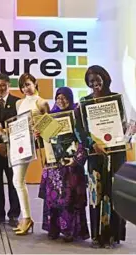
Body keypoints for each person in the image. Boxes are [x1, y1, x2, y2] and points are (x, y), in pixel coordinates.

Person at [0, 73, 49, 235]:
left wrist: (40, 131)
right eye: (22, 86)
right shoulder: (19, 103)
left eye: (28, 84)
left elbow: (49, 127)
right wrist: (4, 131)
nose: (25, 88)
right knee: (17, 180)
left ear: (35, 83)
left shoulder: (42, 103)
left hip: (32, 146)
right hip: (19, 143)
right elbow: (18, 126)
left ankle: (26, 218)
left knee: (17, 180)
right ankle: (26, 217)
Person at [81, 65, 127, 249]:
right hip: (95, 155)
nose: (95, 84)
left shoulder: (115, 99)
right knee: (96, 195)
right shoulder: (84, 103)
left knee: (113, 195)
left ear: (105, 78)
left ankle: (112, 236)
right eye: (91, 81)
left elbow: (121, 125)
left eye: (97, 79)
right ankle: (97, 236)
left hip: (115, 155)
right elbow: (80, 129)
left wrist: (128, 130)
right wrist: (92, 144)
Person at [38, 87, 90, 242]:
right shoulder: (51, 117)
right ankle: (53, 228)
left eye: (65, 98)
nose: (61, 101)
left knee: (70, 199)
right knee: (53, 199)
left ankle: (69, 231)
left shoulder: (76, 115)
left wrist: (77, 159)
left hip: (71, 165)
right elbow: (44, 142)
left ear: (70, 98)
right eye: (58, 98)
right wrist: (39, 135)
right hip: (54, 166)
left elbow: (83, 139)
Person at [0, 73, 21, 227]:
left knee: (14, 182)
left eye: (3, 85)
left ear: (9, 85)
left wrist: (8, 146)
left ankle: (14, 214)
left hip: (13, 150)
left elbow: (21, 126)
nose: (0, 88)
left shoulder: (17, 103)